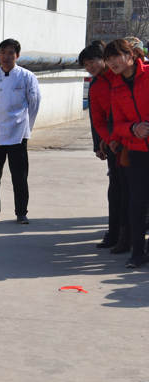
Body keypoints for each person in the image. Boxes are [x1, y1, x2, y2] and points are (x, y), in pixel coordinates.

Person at [0, 39, 41, 225]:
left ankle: (21, 212)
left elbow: (34, 103)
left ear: (17, 56)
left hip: (17, 133)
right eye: (3, 53)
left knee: (19, 176)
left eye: (10, 53)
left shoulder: (27, 76)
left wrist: (26, 127)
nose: (6, 57)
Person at [79, 41, 130, 252]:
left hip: (133, 137)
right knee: (116, 189)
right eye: (86, 65)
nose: (90, 67)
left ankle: (131, 235)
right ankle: (115, 233)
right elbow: (97, 119)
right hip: (113, 142)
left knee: (134, 190)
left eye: (92, 61)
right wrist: (104, 142)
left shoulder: (121, 77)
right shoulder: (96, 85)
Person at [104, 39, 149, 268]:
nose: (112, 62)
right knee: (136, 203)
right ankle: (137, 253)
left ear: (130, 55)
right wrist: (133, 128)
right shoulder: (116, 86)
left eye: (116, 57)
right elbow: (117, 124)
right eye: (108, 59)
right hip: (137, 151)